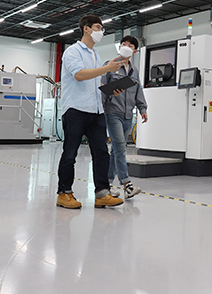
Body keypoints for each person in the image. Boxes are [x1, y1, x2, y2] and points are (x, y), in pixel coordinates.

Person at [56, 15, 126, 209]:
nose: (101, 31)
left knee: (102, 153)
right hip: (75, 110)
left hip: (96, 110)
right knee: (70, 153)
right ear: (86, 29)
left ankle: (102, 193)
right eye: (98, 27)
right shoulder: (73, 52)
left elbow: (94, 82)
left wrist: (111, 89)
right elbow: (79, 75)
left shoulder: (95, 55)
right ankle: (64, 193)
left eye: (102, 28)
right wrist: (105, 68)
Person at [101, 35, 147, 199]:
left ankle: (106, 184)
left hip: (128, 115)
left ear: (134, 50)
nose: (125, 46)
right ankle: (127, 184)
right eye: (123, 43)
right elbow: (101, 87)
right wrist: (102, 108)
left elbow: (138, 91)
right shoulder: (110, 65)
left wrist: (143, 108)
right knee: (120, 146)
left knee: (116, 150)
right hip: (112, 112)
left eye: (129, 45)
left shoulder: (134, 71)